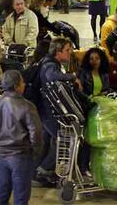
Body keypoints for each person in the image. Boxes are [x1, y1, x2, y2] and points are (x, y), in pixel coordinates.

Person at [0, 70, 43, 205]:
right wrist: (35, 152)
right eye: (22, 82)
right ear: (17, 86)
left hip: (0, 155)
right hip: (21, 156)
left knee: (2, 193)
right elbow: (36, 134)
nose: (24, 85)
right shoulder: (27, 106)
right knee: (21, 197)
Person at [35, 38, 82, 185]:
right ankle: (42, 171)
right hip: (48, 112)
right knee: (62, 140)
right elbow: (51, 76)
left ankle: (41, 172)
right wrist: (72, 76)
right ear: (58, 52)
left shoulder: (47, 62)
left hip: (44, 111)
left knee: (50, 142)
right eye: (67, 50)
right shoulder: (50, 65)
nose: (70, 53)